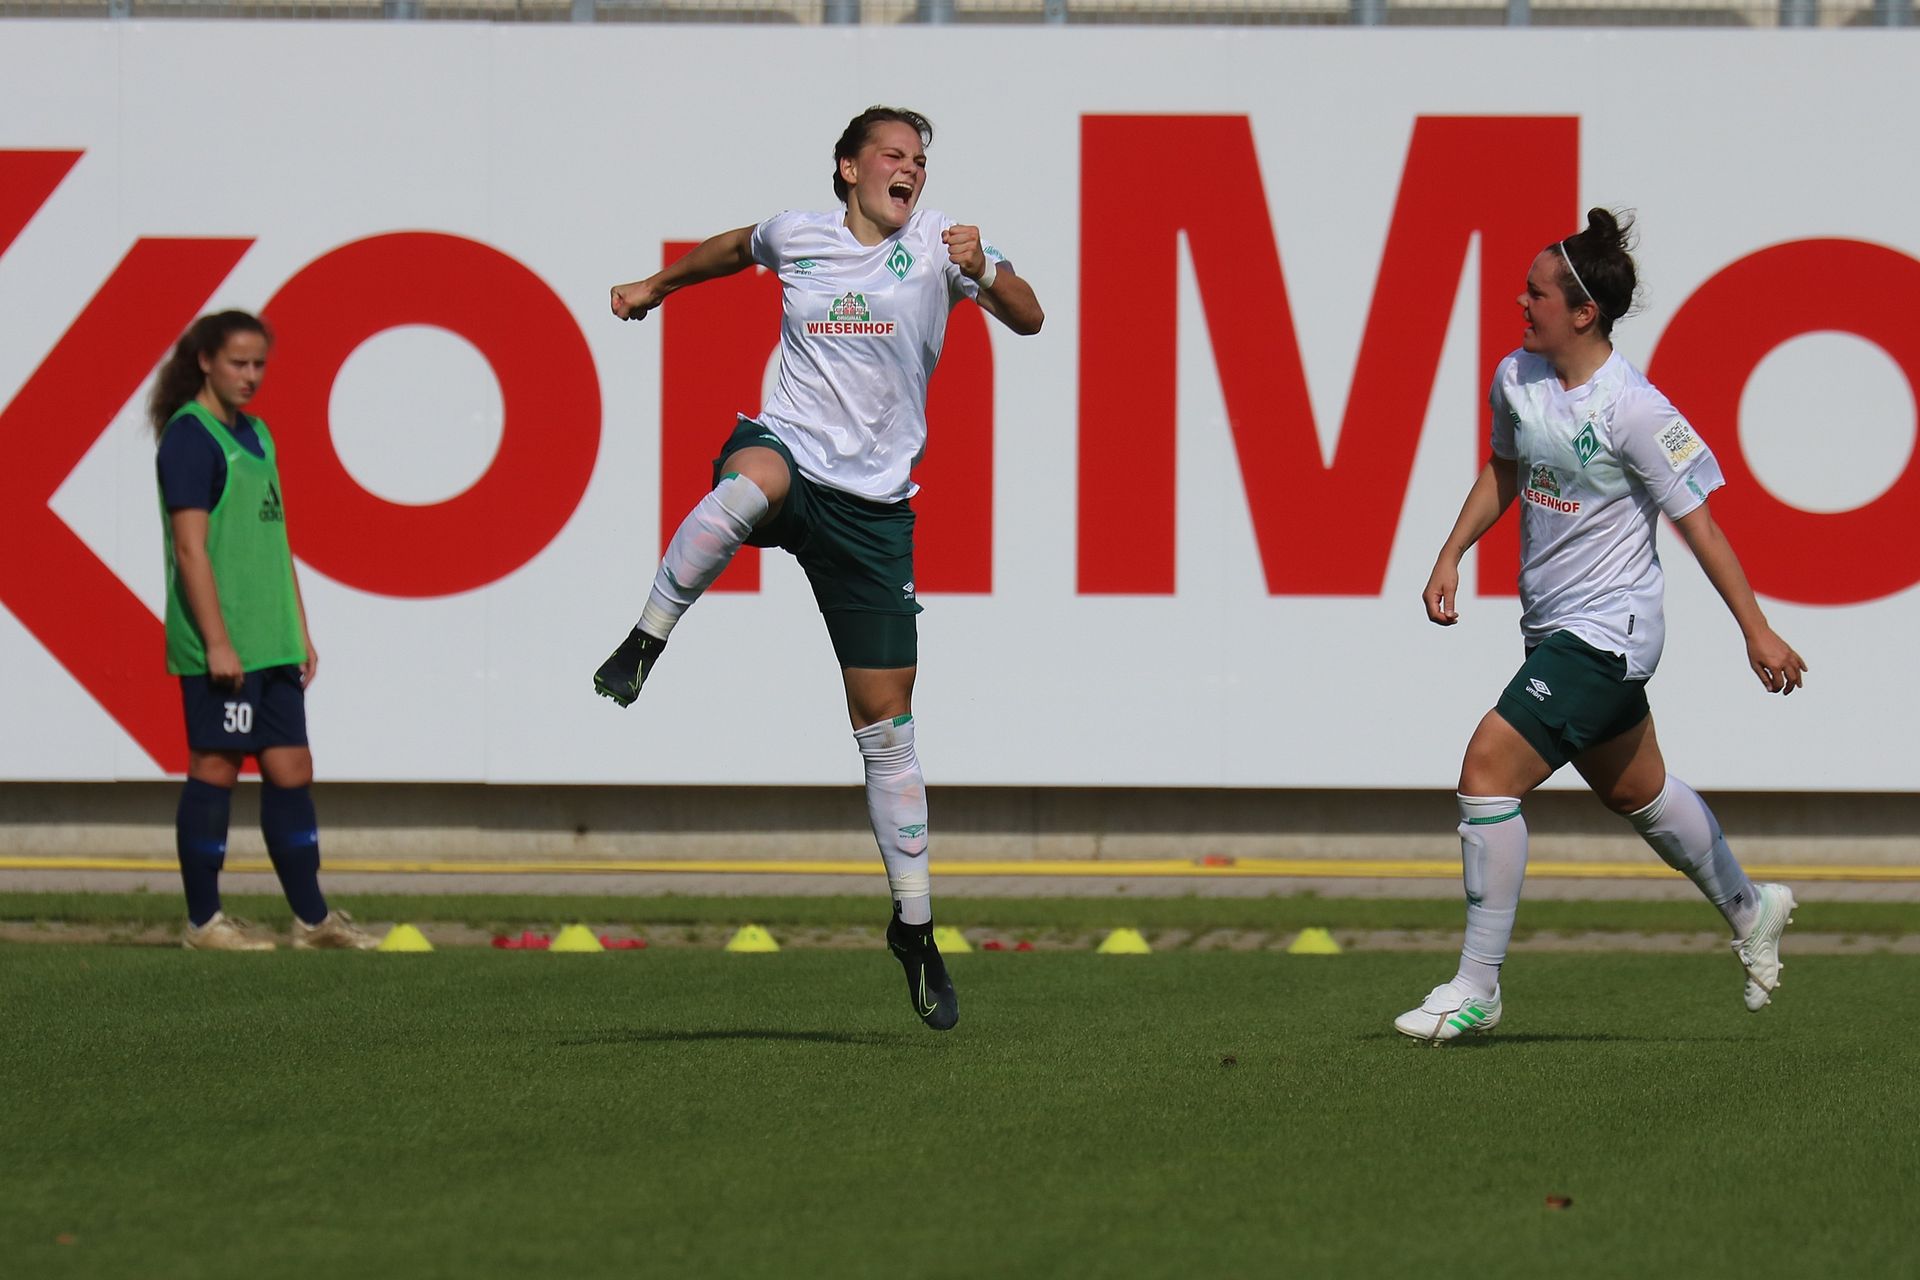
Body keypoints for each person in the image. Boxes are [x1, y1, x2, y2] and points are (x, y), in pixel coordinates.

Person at [594, 106, 1044, 1030]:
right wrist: (655, 286)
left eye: (919, 159)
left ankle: (914, 929)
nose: (910, 169)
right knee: (747, 484)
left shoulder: (941, 246)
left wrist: (988, 270)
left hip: (874, 513)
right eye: (893, 154)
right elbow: (733, 248)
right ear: (848, 167)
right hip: (791, 457)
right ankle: (645, 639)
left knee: (887, 729)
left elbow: (1031, 317)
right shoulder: (797, 236)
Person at [1395, 209, 1807, 1042]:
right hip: (1552, 627)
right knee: (1636, 792)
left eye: (1537, 293)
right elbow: (1505, 468)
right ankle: (1750, 907)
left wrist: (1755, 630)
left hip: (1610, 633)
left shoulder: (1636, 410)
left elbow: (1701, 527)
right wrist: (1451, 551)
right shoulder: (1517, 376)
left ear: (1584, 312)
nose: (1521, 302)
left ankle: (1477, 985)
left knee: (1487, 771)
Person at [152, 310, 378, 951]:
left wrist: (297, 629)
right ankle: (204, 922)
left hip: (271, 640)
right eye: (238, 363)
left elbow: (274, 544)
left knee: (291, 767)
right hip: (223, 644)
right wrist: (217, 641)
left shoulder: (258, 435)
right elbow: (191, 550)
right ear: (205, 361)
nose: (250, 376)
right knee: (216, 766)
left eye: (258, 364)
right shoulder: (189, 438)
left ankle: (313, 921)